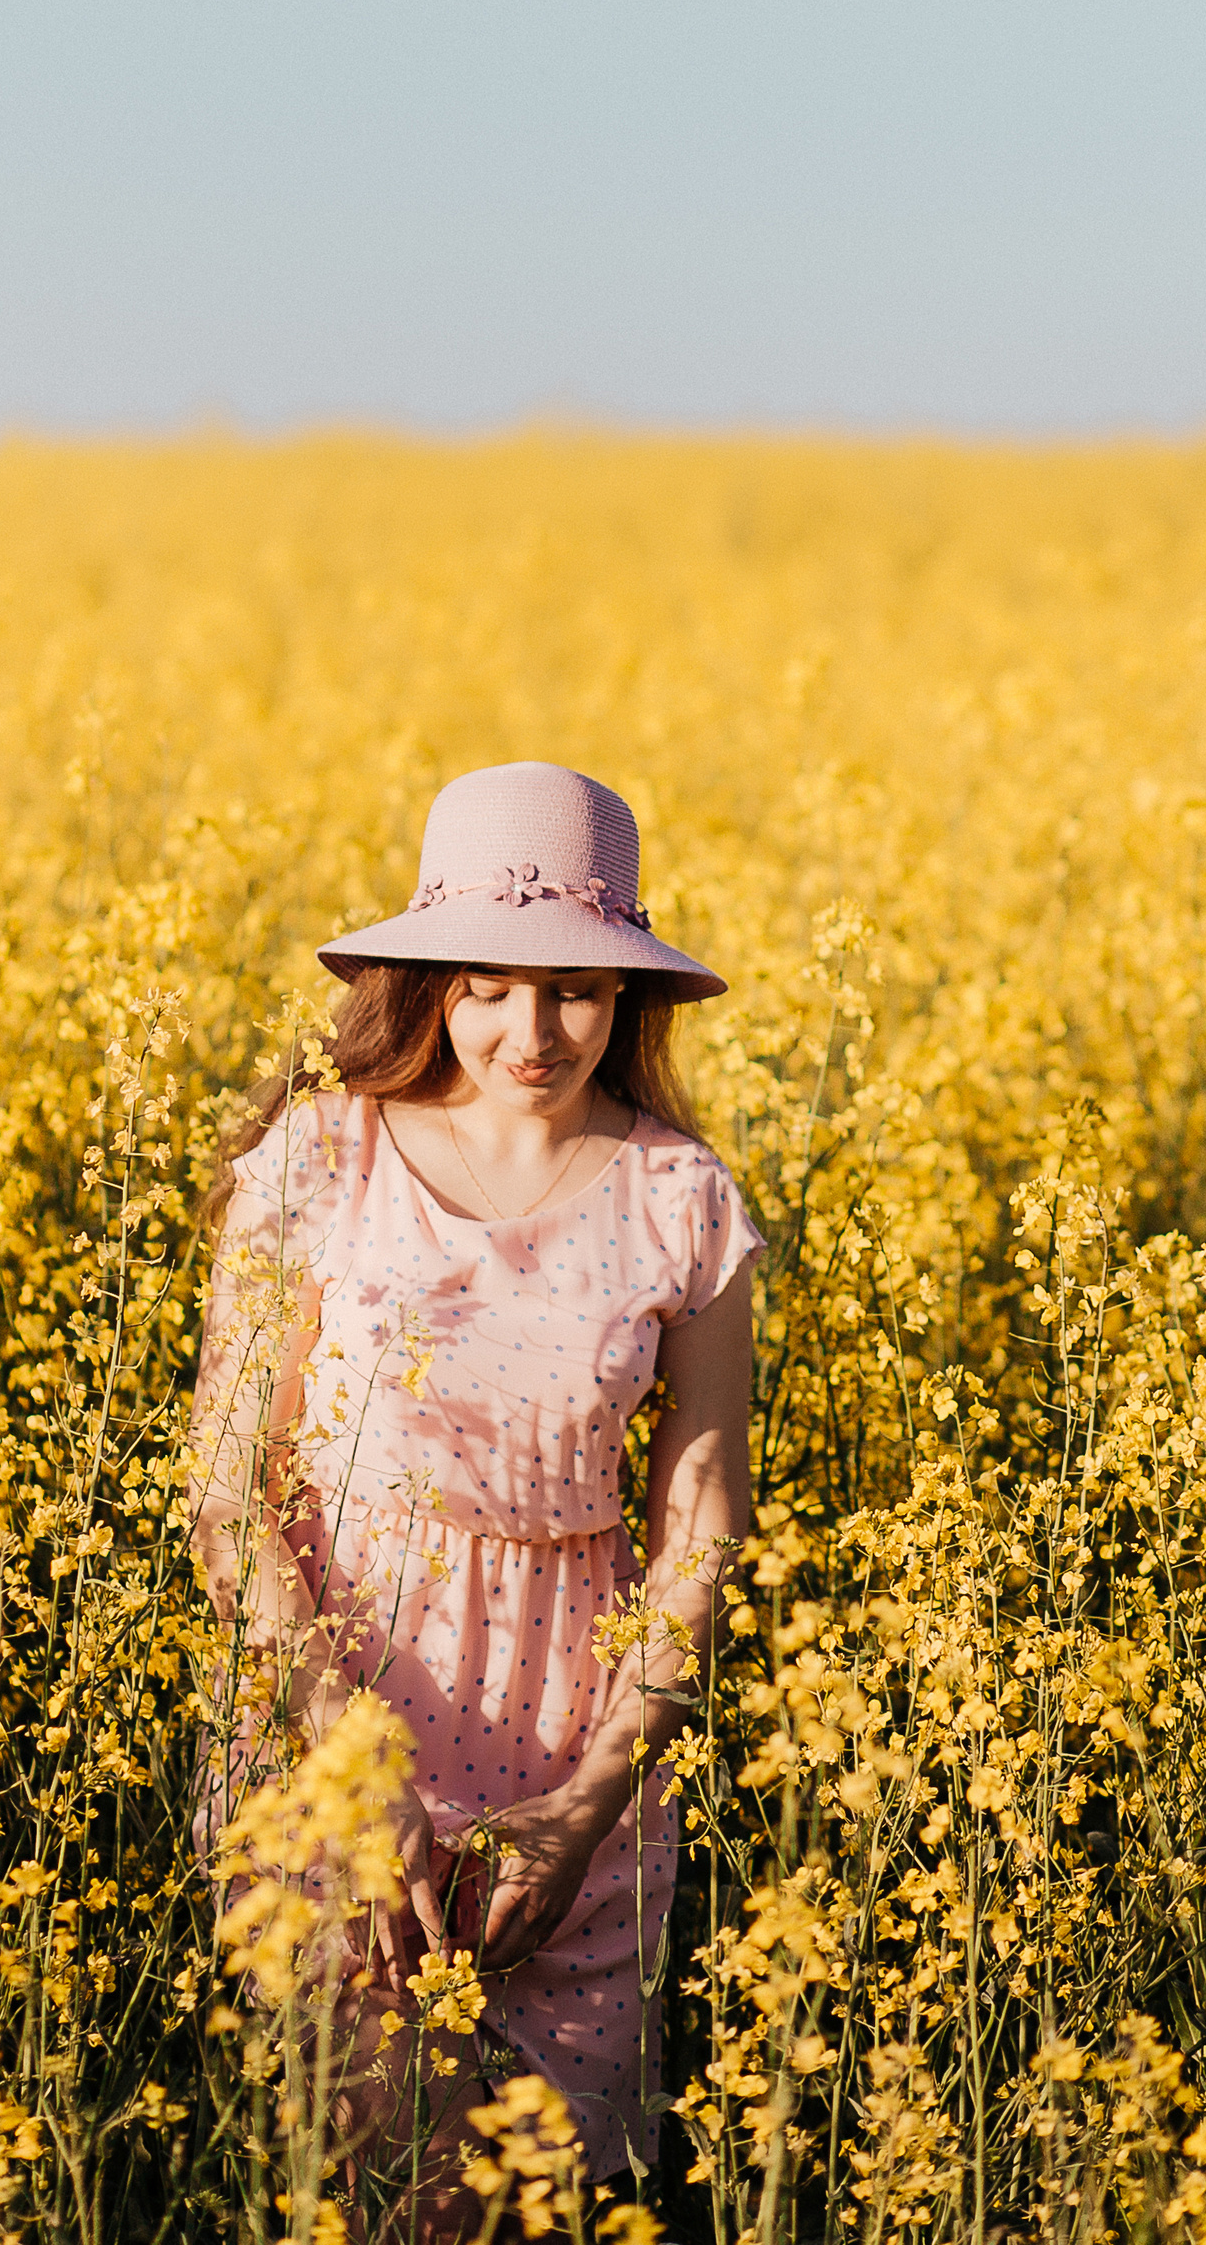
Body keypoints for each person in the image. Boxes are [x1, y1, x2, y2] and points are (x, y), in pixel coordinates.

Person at [192, 760, 760, 2225]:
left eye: (576, 988)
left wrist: (595, 1797)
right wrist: (342, 1756)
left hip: (584, 1734)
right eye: (492, 985)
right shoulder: (316, 1163)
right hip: (335, 1702)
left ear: (629, 995)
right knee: (346, 2176)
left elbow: (700, 1524)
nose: (535, 1029)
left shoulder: (682, 1198)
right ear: (431, 982)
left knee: (536, 2197)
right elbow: (227, 1491)